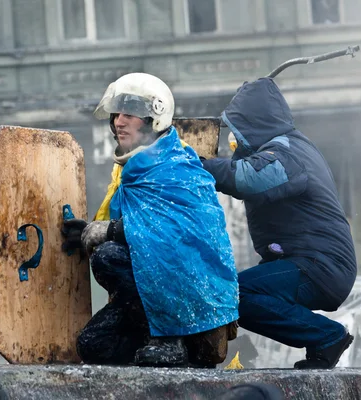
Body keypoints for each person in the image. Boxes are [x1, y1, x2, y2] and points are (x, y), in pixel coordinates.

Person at [62, 72, 239, 368]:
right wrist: (92, 228)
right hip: (151, 292)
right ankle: (166, 346)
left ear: (153, 119)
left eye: (129, 114)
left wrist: (112, 231)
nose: (119, 121)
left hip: (192, 297)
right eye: (116, 114)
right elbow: (139, 223)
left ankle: (173, 342)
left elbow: (174, 238)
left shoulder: (178, 167)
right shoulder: (134, 169)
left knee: (109, 257)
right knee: (93, 345)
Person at [201, 77, 357, 369]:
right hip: (309, 261)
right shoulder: (285, 147)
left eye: (239, 127)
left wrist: (197, 165)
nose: (236, 136)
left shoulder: (289, 153)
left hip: (320, 265)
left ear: (255, 122)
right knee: (236, 293)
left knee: (235, 294)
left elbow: (250, 178)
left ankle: (327, 336)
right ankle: (323, 348)